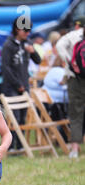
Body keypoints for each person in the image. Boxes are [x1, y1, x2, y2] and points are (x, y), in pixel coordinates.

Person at [1, 17, 41, 150]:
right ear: (17, 29)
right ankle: (11, 146)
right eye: (25, 30)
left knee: (23, 116)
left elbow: (38, 61)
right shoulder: (8, 45)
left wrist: (33, 51)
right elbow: (6, 68)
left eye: (29, 31)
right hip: (12, 86)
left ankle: (21, 145)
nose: (28, 33)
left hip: (25, 83)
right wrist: (18, 85)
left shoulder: (28, 43)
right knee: (14, 117)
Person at [56, 16, 85, 158]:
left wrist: (69, 62)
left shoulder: (71, 35)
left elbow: (59, 46)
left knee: (75, 113)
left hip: (75, 79)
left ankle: (74, 149)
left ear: (76, 25)